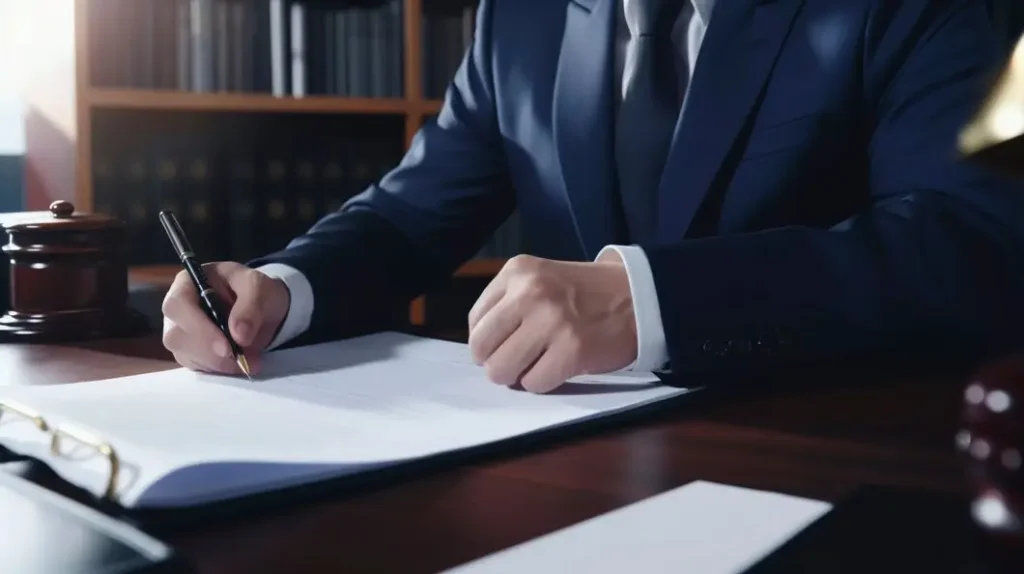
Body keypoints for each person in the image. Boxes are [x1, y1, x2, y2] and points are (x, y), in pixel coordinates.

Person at [161, 0, 1024, 393]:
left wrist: (652, 301)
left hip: (829, 452)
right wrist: (283, 289)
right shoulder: (520, 18)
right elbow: (407, 214)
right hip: (573, 466)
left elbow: (969, 238)